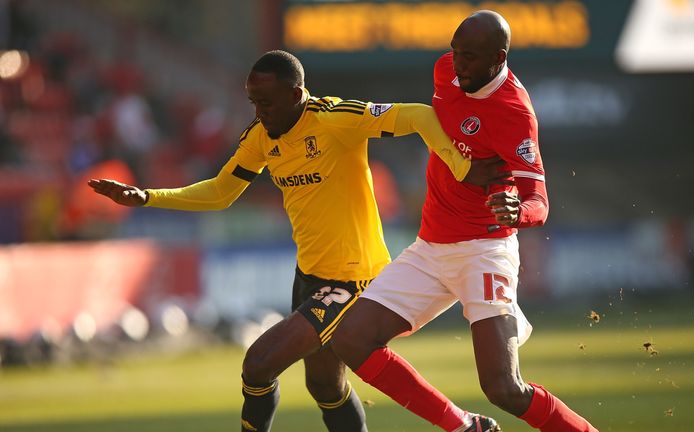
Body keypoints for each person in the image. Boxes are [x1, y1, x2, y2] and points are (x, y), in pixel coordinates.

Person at [89, 50, 511, 432]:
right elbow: (221, 192)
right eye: (253, 102)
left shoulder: (337, 119)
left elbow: (419, 115)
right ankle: (464, 426)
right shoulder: (260, 137)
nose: (259, 112)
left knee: (258, 365)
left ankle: (461, 424)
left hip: (353, 279)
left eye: (266, 102)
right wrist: (147, 197)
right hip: (310, 276)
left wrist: (460, 166)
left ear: (297, 94)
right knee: (325, 386)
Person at [331, 10, 599, 432]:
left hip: (484, 251)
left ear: (499, 56)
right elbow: (439, 128)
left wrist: (518, 212)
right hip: (430, 247)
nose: (458, 65)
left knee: (504, 388)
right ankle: (462, 425)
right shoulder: (446, 71)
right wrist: (461, 165)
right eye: (456, 53)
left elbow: (538, 201)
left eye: (470, 57)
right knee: (350, 340)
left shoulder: (514, 112)